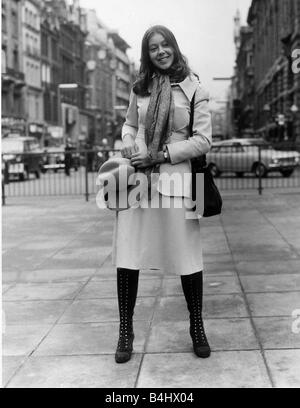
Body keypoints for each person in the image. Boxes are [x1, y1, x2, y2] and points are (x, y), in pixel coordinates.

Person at [112, 25, 212, 364]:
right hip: (138, 180)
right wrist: (128, 140)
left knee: (188, 257)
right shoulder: (140, 88)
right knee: (128, 253)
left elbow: (202, 141)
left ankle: (196, 326)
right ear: (147, 54)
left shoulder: (194, 88)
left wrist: (161, 155)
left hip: (180, 181)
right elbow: (129, 124)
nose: (160, 51)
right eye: (153, 47)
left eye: (165, 44)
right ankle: (125, 331)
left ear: (174, 46)